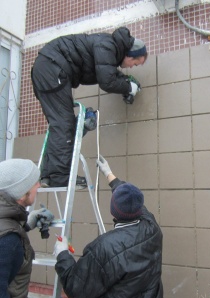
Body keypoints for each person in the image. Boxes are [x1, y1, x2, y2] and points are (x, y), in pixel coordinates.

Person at [31, 26, 148, 188]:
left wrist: (127, 83)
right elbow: (107, 80)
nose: (131, 67)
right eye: (135, 63)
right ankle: (60, 176)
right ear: (129, 54)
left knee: (59, 124)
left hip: (48, 68)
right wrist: (128, 88)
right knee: (64, 123)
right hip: (52, 68)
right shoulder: (108, 45)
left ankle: (48, 176)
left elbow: (109, 73)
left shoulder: (108, 47)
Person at [54, 154, 163, 298]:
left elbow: (76, 288)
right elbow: (132, 201)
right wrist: (109, 174)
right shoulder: (152, 228)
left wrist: (62, 255)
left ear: (113, 210)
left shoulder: (104, 247)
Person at [0, 158, 55, 298]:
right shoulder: (7, 241)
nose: (38, 186)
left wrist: (27, 224)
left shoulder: (8, 228)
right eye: (34, 183)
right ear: (21, 193)